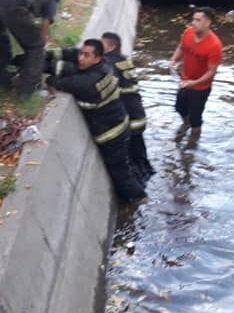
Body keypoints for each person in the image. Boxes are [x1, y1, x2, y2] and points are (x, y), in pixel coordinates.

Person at [48, 40, 146, 203]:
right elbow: (73, 54)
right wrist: (49, 54)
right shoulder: (105, 65)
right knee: (125, 167)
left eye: (86, 55)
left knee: (120, 173)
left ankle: (139, 198)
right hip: (119, 125)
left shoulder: (89, 83)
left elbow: (61, 83)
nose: (81, 58)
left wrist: (51, 75)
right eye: (81, 53)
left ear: (97, 58)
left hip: (111, 135)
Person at [101, 32, 154, 181]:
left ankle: (139, 181)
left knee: (131, 156)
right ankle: (146, 173)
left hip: (129, 118)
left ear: (111, 46)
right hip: (138, 115)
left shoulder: (109, 65)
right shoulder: (123, 60)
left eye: (102, 43)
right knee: (139, 152)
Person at [170, 7, 223, 139]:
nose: (193, 23)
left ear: (207, 23)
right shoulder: (188, 32)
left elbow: (211, 72)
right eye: (193, 19)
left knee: (196, 118)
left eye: (198, 20)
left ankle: (193, 142)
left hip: (200, 88)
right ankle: (185, 124)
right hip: (184, 81)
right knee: (179, 108)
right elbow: (181, 47)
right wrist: (174, 59)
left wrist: (194, 83)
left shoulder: (215, 45)